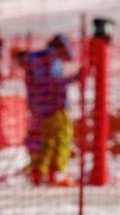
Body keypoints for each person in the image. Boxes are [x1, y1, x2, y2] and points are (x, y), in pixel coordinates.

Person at [22, 34, 83, 186]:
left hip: (41, 107)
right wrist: (76, 77)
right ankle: (53, 173)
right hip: (56, 106)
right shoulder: (50, 60)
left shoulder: (36, 60)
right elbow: (53, 84)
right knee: (61, 140)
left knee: (48, 141)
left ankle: (40, 173)